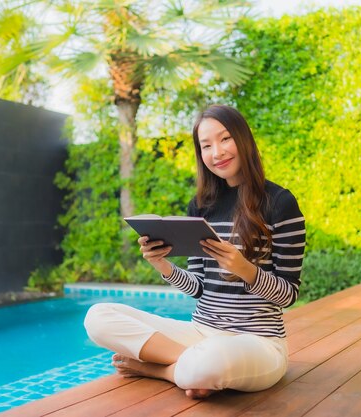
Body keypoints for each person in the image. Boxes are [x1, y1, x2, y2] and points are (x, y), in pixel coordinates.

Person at [84, 104, 305, 399]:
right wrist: (163, 266)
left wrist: (244, 269)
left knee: (207, 363)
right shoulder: (202, 206)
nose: (218, 152)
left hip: (258, 342)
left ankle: (156, 369)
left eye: (225, 139)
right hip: (201, 333)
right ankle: (189, 366)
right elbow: (201, 289)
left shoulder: (280, 203)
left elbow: (288, 295)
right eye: (206, 145)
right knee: (98, 317)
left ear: (244, 139)